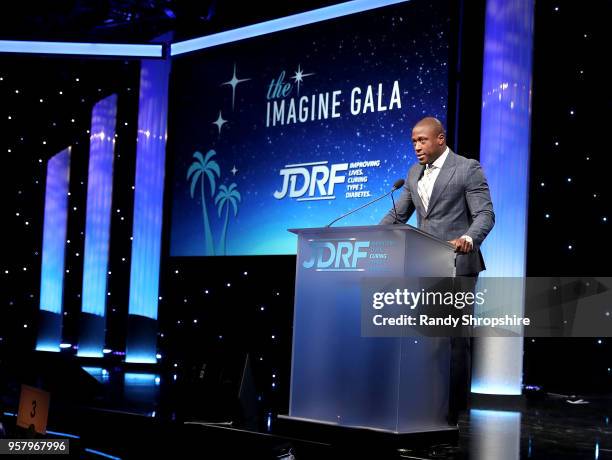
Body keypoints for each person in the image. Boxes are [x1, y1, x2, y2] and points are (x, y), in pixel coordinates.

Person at [380, 116, 495, 423]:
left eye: (422, 140)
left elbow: (485, 214)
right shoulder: (414, 172)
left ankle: (451, 414)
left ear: (440, 139)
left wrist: (471, 237)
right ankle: (425, 404)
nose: (417, 146)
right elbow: (398, 214)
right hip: (423, 265)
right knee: (426, 340)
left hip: (458, 265)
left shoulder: (467, 168)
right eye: (413, 141)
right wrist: (369, 235)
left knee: (451, 340)